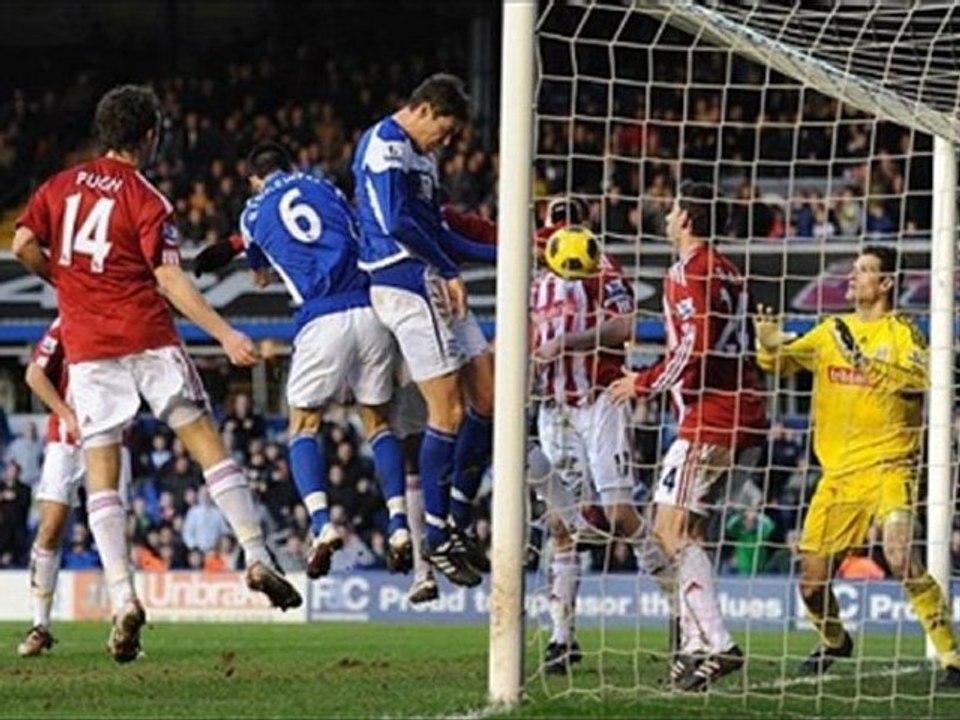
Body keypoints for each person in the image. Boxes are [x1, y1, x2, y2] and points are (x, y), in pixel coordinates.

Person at [12, 84, 301, 664]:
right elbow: (169, 280)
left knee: (102, 474)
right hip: (147, 337)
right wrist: (225, 333)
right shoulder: (148, 200)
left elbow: (22, 244)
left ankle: (123, 599)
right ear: (149, 137)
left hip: (90, 349)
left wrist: (65, 283)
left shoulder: (58, 187)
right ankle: (256, 553)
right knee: (207, 446)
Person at [754, 245, 960, 688]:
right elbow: (778, 364)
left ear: (885, 283)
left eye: (864, 270)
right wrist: (767, 344)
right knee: (810, 584)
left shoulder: (905, 331)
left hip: (890, 467)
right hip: (838, 477)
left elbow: (922, 381)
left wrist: (866, 363)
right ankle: (834, 640)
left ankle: (951, 657)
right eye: (854, 269)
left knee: (901, 555)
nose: (853, 277)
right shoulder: (831, 330)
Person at [609, 181, 768, 692]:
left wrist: (643, 380)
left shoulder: (686, 271)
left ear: (689, 218)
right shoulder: (730, 270)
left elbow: (694, 347)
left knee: (668, 530)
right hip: (743, 408)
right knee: (685, 530)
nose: (668, 213)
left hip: (712, 415)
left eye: (675, 207)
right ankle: (694, 650)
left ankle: (718, 643)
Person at [234, 140, 412, 577]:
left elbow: (258, 274)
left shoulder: (253, 211)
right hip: (369, 307)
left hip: (320, 315)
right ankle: (399, 525)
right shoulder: (326, 186)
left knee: (303, 425)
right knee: (379, 423)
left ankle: (320, 524)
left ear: (256, 179)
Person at [352, 73, 496, 586]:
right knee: (449, 410)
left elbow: (436, 231)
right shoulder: (386, 144)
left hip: (430, 275)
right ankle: (434, 539)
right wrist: (451, 269)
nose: (449, 142)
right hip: (404, 281)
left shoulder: (424, 158)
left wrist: (508, 256)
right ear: (428, 110)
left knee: (489, 391)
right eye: (448, 130)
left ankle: (456, 517)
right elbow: (396, 222)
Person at [17, 317, 131, 657]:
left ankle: (126, 625)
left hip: (111, 440)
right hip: (65, 442)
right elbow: (34, 375)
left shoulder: (125, 319)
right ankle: (40, 626)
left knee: (116, 536)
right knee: (50, 528)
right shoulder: (66, 322)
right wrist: (66, 414)